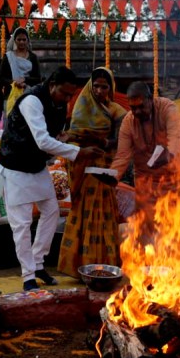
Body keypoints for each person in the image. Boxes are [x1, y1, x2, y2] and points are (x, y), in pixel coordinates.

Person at [0, 66, 103, 291]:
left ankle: (37, 263)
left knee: (52, 211)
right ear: (52, 85)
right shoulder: (32, 101)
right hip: (16, 168)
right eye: (64, 93)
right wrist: (78, 152)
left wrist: (64, 138)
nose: (67, 99)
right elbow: (42, 141)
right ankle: (28, 276)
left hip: (36, 166)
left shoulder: (58, 103)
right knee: (22, 224)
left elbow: (52, 136)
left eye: (70, 95)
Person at [57, 67, 127, 279]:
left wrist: (99, 140)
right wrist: (74, 138)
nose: (99, 90)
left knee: (103, 214)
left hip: (102, 169)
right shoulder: (81, 106)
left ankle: (105, 265)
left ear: (111, 88)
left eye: (104, 86)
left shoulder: (117, 111)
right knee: (82, 211)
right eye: (95, 85)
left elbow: (120, 142)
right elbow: (73, 137)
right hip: (83, 169)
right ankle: (77, 266)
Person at [111, 82, 180, 239]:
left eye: (141, 106)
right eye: (133, 108)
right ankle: (150, 261)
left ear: (151, 99)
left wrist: (168, 155)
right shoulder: (128, 122)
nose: (137, 112)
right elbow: (122, 156)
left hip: (174, 178)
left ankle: (174, 261)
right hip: (145, 181)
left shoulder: (167, 108)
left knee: (174, 228)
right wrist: (111, 179)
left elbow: (175, 137)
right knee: (147, 228)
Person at [0, 27, 41, 116]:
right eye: (19, 39)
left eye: (24, 39)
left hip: (29, 96)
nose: (22, 42)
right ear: (14, 40)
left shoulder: (33, 57)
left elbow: (38, 79)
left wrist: (25, 80)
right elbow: (0, 78)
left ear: (27, 41)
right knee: (10, 125)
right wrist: (14, 83)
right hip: (10, 96)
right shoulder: (8, 57)